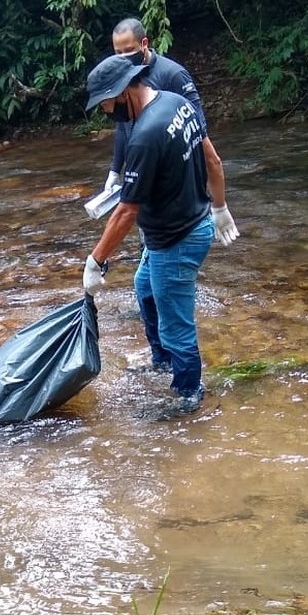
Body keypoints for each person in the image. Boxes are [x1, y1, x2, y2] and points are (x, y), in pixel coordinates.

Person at [81, 55, 226, 414]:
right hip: (193, 223)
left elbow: (128, 211)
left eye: (106, 104)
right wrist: (219, 207)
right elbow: (212, 159)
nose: (106, 112)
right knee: (145, 288)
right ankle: (162, 362)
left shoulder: (145, 135)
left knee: (176, 324)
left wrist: (96, 260)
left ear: (121, 91)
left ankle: (189, 396)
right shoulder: (175, 102)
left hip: (177, 240)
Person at [103, 17, 238, 249]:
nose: (124, 58)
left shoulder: (172, 76)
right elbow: (124, 128)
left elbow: (198, 134)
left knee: (172, 254)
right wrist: (115, 171)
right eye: (118, 53)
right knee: (149, 260)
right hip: (147, 187)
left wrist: (219, 205)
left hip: (175, 191)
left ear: (144, 44)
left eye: (130, 51)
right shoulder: (122, 82)